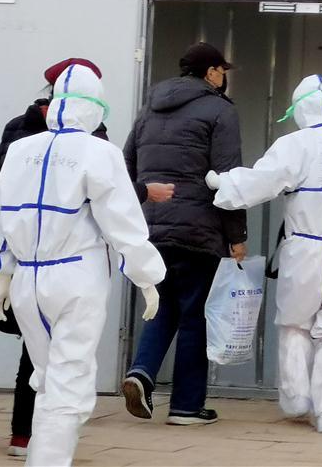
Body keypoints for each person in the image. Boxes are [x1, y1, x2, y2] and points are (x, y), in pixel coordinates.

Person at [0, 58, 173, 458]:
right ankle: (48, 459)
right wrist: (146, 274)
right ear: (96, 106)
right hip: (77, 277)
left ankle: (38, 451)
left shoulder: (21, 149)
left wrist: (3, 272)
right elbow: (122, 221)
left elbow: (0, 214)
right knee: (69, 376)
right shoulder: (100, 152)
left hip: (28, 280)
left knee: (46, 376)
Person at [206, 74, 322, 433]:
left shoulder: (295, 144)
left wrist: (223, 185)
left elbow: (261, 181)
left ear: (299, 108)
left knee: (295, 324)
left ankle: (296, 398)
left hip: (305, 248)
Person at [122, 41, 248, 426]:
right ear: (211, 72)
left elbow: (126, 166)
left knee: (160, 305)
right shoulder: (219, 110)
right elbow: (228, 177)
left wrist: (133, 218)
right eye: (221, 70)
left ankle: (141, 372)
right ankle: (186, 407)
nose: (224, 77)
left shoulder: (148, 111)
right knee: (194, 315)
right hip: (199, 230)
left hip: (151, 229)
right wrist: (236, 235)